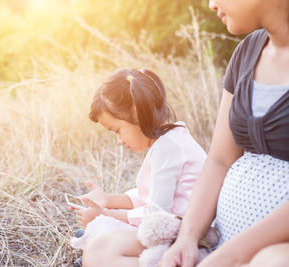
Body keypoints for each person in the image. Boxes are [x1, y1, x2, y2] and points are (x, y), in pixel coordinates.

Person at [82, 0, 289, 266]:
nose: (212, 4)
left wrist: (230, 256)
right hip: (217, 238)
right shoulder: (245, 54)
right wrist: (188, 239)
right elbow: (219, 160)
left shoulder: (170, 145)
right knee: (101, 250)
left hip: (267, 249)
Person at [68, 68, 207, 265]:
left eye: (117, 130)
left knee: (104, 227)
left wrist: (106, 213)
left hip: (187, 236)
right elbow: (148, 196)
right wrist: (108, 200)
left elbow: (156, 217)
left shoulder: (168, 148)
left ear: (137, 113)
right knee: (102, 228)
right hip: (174, 227)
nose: (119, 140)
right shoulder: (170, 139)